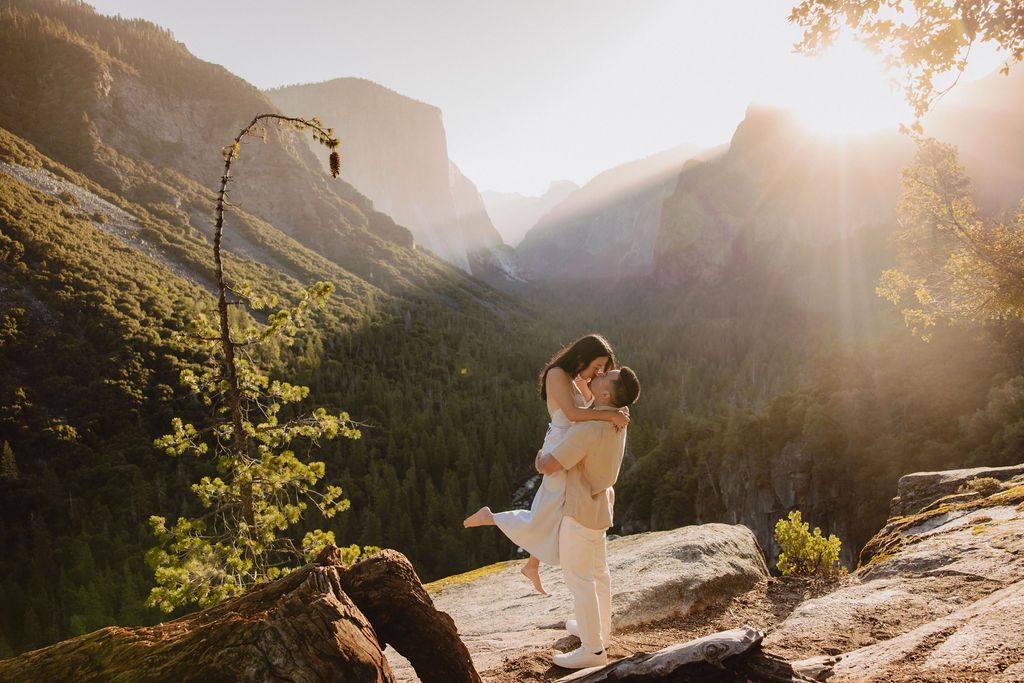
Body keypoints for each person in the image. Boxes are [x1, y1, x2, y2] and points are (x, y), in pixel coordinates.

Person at [463, 334, 629, 595]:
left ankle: (532, 563)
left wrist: (613, 408)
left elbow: (594, 403)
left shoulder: (578, 377)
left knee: (555, 509)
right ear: (582, 356)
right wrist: (610, 415)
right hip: (561, 444)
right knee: (547, 510)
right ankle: (491, 518)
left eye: (602, 370)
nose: (598, 373)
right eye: (596, 367)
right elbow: (575, 414)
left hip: (574, 445)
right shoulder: (557, 374)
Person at [535, 366, 641, 669]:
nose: (601, 373)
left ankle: (592, 650)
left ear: (606, 393)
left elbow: (552, 465)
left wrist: (540, 457)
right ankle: (600, 633)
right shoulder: (617, 420)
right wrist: (587, 385)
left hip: (579, 509)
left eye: (606, 375)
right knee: (598, 575)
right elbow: (594, 402)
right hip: (600, 506)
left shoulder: (588, 428)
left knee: (579, 579)